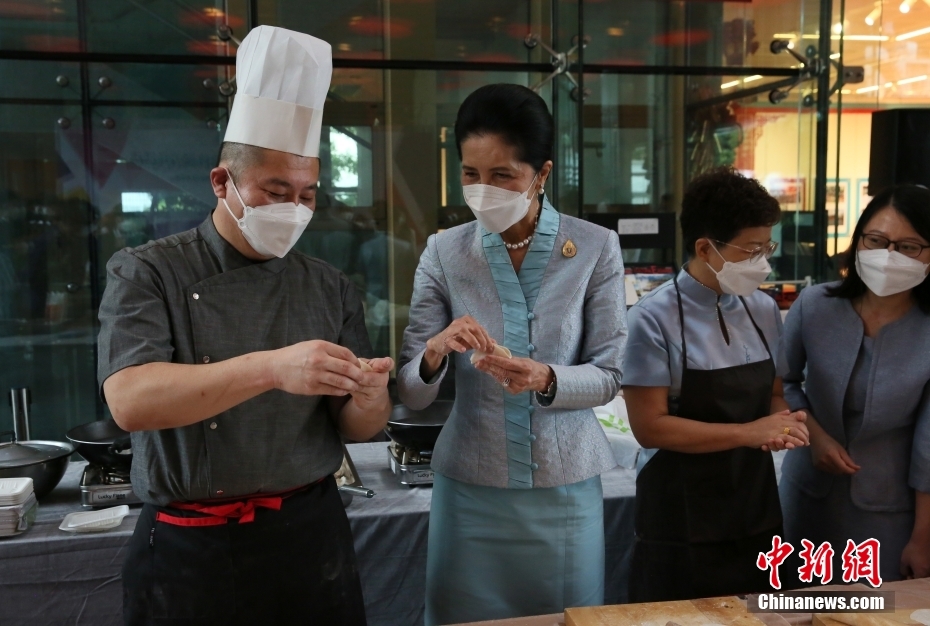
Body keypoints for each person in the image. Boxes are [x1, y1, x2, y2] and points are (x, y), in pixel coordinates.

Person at [97, 26, 392, 625]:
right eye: (276, 190)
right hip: (189, 551)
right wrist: (272, 367)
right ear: (221, 182)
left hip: (310, 540)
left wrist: (370, 393)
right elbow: (130, 401)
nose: (295, 208)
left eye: (308, 194)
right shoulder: (149, 271)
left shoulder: (327, 285)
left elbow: (360, 429)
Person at [397, 84, 627, 624]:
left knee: (567, 617)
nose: (483, 190)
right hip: (469, 489)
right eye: (470, 174)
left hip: (564, 485)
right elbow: (408, 388)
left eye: (502, 175)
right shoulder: (444, 251)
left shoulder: (594, 247)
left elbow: (612, 374)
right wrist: (434, 353)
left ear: (541, 174)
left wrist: (547, 377)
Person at [622, 167, 810, 602]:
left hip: (755, 506)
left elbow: (773, 392)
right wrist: (749, 433)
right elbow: (650, 427)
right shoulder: (652, 318)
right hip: (680, 515)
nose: (763, 261)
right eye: (752, 250)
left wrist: (783, 423)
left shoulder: (763, 309)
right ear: (706, 248)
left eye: (768, 248)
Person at [780, 184, 930, 584]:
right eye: (876, 240)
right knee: (795, 608)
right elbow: (781, 384)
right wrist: (815, 435)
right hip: (806, 495)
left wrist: (923, 537)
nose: (889, 256)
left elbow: (929, 444)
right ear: (858, 239)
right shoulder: (814, 304)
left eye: (909, 247)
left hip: (890, 509)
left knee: (873, 613)